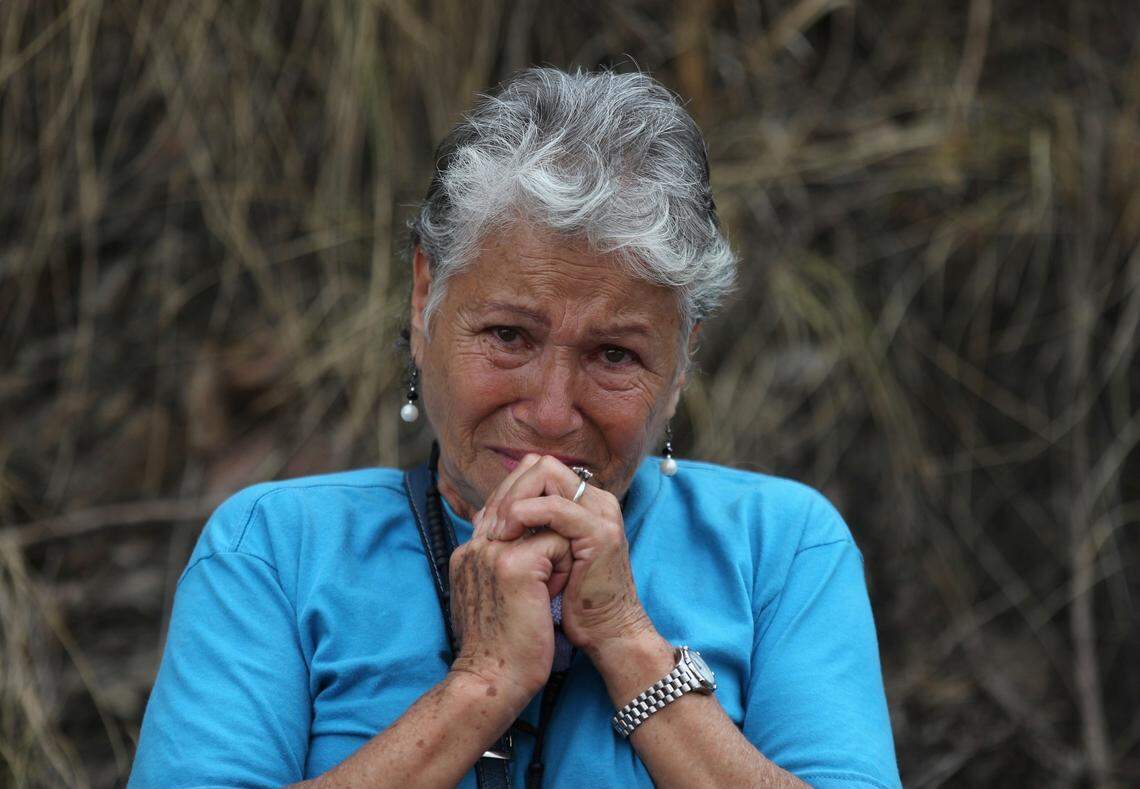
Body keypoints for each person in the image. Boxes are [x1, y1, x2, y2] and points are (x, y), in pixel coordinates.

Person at [129, 67, 900, 789]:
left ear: (681, 365)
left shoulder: (781, 548)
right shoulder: (274, 549)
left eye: (614, 353)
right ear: (424, 300)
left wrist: (627, 639)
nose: (552, 409)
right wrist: (482, 685)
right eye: (508, 335)